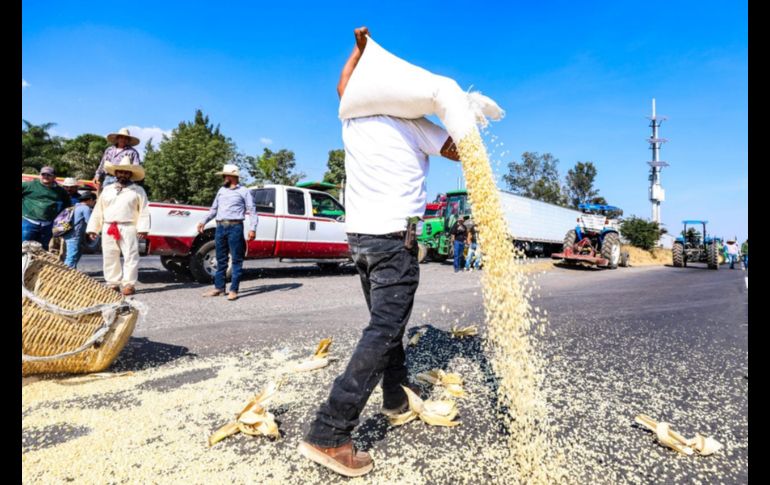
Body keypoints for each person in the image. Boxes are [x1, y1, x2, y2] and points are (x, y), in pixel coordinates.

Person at [298, 26, 461, 478]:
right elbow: (458, 149)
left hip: (360, 239)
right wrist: (465, 116)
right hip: (393, 239)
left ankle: (394, 398)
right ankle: (329, 432)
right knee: (385, 331)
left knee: (387, 325)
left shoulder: (353, 118)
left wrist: (358, 50)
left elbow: (342, 87)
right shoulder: (413, 122)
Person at [86, 156, 150, 295]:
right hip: (109, 226)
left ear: (130, 174)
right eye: (121, 172)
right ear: (116, 173)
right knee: (109, 255)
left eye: (126, 172)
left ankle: (129, 284)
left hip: (129, 226)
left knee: (131, 255)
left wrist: (143, 228)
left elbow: (144, 210)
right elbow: (99, 209)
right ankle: (113, 283)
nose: (123, 174)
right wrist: (93, 228)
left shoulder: (138, 190)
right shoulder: (107, 190)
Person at [198, 165, 257, 301]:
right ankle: (219, 288)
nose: (223, 178)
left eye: (225, 176)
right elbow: (213, 209)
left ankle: (233, 290)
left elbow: (252, 210)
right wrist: (203, 221)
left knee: (236, 259)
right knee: (221, 258)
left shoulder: (244, 191)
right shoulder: (221, 191)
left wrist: (252, 228)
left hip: (235, 227)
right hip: (220, 227)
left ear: (231, 177)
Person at [22, 166, 72, 249]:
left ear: (54, 177)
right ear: (40, 175)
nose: (45, 177)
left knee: (43, 250)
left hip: (48, 225)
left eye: (49, 175)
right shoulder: (29, 185)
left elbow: (67, 206)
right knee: (24, 247)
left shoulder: (60, 191)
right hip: (29, 222)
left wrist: (59, 219)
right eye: (43, 174)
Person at [63, 192, 97, 269]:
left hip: (69, 234)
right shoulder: (86, 208)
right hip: (74, 235)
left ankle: (72, 273)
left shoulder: (75, 206)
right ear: (91, 200)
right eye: (94, 201)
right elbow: (89, 222)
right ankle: (66, 274)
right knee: (71, 256)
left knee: (73, 254)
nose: (94, 203)